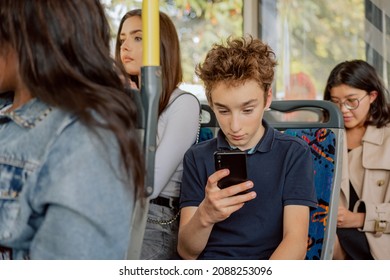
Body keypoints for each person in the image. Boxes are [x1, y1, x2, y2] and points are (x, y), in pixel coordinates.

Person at [0, 0, 144, 260]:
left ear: (26, 37)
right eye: (122, 39)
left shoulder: (85, 140)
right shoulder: (9, 114)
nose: (125, 47)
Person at [178, 36, 317, 260]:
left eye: (247, 110)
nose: (235, 126)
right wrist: (206, 215)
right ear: (211, 104)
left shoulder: (294, 154)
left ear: (267, 98)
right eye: (223, 111)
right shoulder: (197, 157)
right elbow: (187, 251)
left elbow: (295, 241)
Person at [115, 9, 200, 259]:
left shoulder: (183, 104)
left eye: (137, 38)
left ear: (160, 46)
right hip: (118, 210)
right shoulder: (121, 99)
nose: (125, 46)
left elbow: (147, 185)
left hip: (154, 220)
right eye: (122, 40)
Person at [323, 59, 390, 260]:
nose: (343, 109)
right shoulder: (322, 138)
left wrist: (360, 219)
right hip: (333, 242)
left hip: (377, 245)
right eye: (335, 102)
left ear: (372, 96)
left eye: (351, 101)